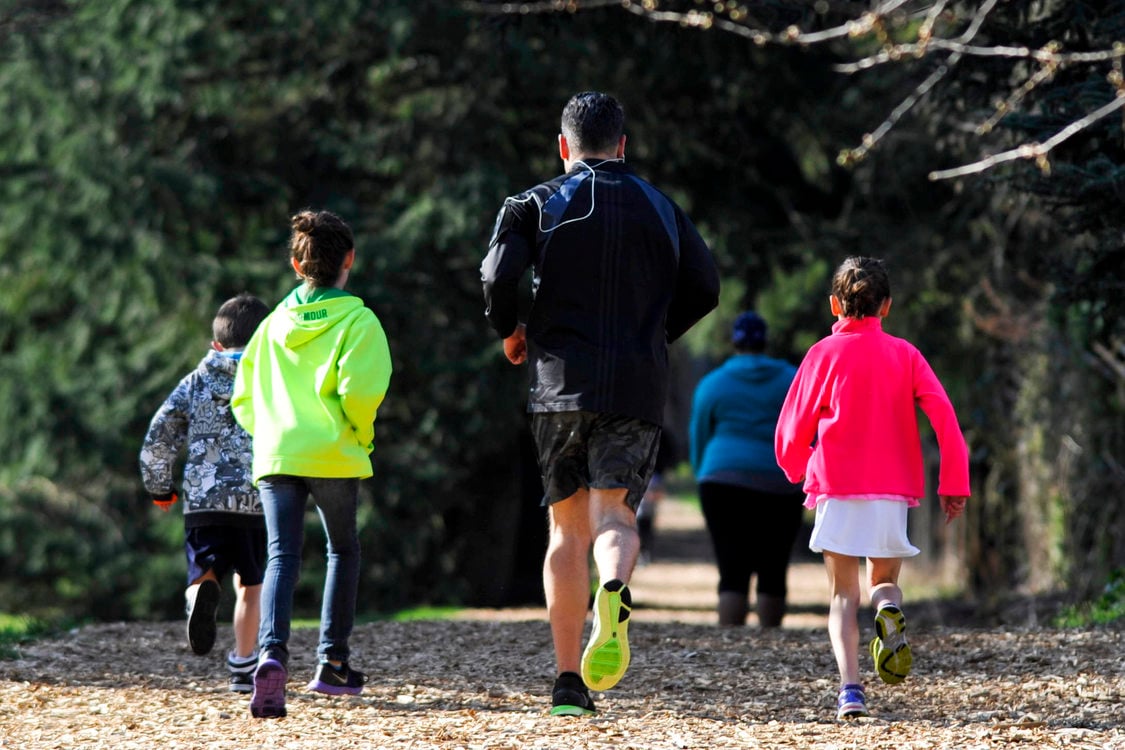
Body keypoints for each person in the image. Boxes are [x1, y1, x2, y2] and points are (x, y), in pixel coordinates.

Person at [481, 91, 720, 716]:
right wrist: (655, 334)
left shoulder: (532, 203)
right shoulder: (661, 207)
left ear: (564, 147)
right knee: (615, 517)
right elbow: (706, 285)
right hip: (635, 385)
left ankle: (566, 684)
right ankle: (614, 588)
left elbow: (497, 276)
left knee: (566, 529)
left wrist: (511, 328)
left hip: (557, 384)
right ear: (623, 145)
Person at [774, 256, 969, 721]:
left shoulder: (822, 354)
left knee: (843, 596)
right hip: (891, 489)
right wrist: (953, 483)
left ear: (834, 305)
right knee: (883, 582)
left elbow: (793, 424)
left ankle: (850, 689)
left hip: (837, 486)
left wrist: (795, 465)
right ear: (887, 307)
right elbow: (944, 416)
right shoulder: (906, 355)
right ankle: (888, 610)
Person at [231, 210, 393, 719]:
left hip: (277, 452)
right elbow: (360, 390)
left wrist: (271, 437)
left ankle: (272, 654)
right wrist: (360, 437)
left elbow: (244, 395)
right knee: (342, 550)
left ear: (296, 265)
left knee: (282, 557)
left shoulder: (272, 324)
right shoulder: (359, 320)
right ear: (349, 260)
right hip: (334, 453)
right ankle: (333, 663)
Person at [139, 292, 271, 693]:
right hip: (257, 498)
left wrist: (160, 486)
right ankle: (244, 666)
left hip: (203, 499)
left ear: (216, 344)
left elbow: (160, 434)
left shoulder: (195, 381)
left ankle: (200, 590)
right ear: (266, 339)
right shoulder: (272, 377)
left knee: (204, 567)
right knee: (251, 584)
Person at [689, 311, 804, 627]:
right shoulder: (791, 379)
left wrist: (703, 473)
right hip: (779, 481)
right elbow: (808, 427)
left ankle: (731, 645)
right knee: (774, 566)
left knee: (732, 567)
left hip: (722, 481)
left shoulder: (713, 384)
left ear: (733, 343)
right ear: (766, 342)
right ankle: (769, 643)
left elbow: (699, 435)